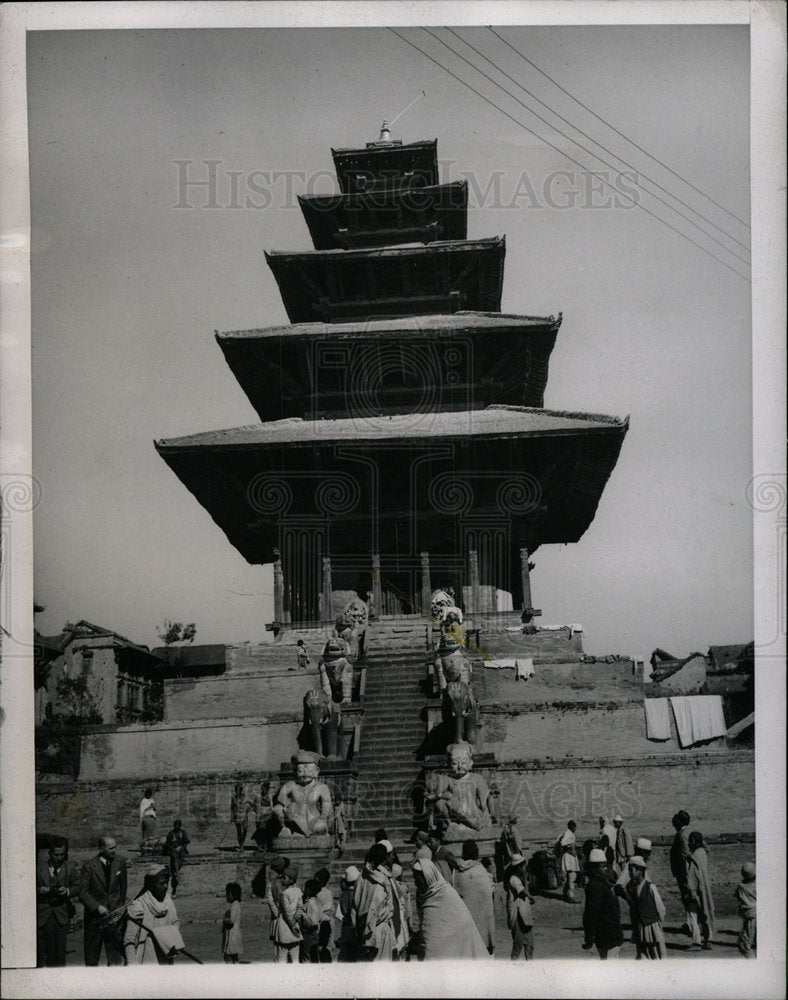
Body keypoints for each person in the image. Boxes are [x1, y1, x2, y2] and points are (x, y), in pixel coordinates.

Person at [413, 858, 489, 960]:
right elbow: (429, 931)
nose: (416, 883)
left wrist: (447, 938)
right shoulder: (426, 896)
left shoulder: (446, 892)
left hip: (457, 944)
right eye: (415, 879)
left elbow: (463, 921)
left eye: (419, 879)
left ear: (428, 876)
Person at [78, 835, 128, 966]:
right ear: (101, 849)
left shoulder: (120, 862)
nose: (114, 851)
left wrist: (119, 907)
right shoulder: (89, 867)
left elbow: (123, 887)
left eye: (115, 847)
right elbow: (82, 892)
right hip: (95, 919)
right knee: (92, 955)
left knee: (115, 955)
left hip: (114, 918)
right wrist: (97, 907)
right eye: (111, 848)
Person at [124, 864, 182, 964]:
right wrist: (132, 964)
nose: (165, 886)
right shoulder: (139, 906)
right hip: (145, 960)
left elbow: (175, 923)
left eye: (166, 883)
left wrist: (170, 939)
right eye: (161, 883)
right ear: (152, 884)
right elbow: (129, 940)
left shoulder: (168, 902)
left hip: (166, 956)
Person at [36, 835, 79, 967]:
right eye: (56, 854)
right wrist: (39, 890)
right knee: (41, 955)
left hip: (61, 915)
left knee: (59, 956)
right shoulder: (38, 868)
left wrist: (67, 891)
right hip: (42, 916)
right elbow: (25, 888)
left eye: (62, 854)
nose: (59, 858)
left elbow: (78, 887)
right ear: (50, 853)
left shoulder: (70, 868)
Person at [353, 843, 395, 961]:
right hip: (379, 929)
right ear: (384, 859)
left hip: (362, 929)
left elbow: (355, 904)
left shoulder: (361, 876)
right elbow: (387, 906)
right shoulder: (383, 880)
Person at [454, 840, 495, 955]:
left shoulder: (457, 872)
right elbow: (489, 894)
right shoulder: (481, 870)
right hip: (483, 919)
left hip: (466, 920)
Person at [582, 848, 624, 959]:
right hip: (607, 936)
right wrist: (589, 937)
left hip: (609, 935)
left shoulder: (602, 883)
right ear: (594, 868)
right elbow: (590, 914)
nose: (605, 869)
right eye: (602, 866)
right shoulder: (596, 886)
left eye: (606, 866)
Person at [625, 856, 666, 959]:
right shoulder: (633, 889)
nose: (629, 873)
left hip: (652, 926)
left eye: (631, 870)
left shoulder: (651, 887)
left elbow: (660, 908)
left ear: (639, 871)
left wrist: (658, 923)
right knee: (643, 953)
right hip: (640, 927)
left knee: (656, 953)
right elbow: (633, 909)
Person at [685, 831, 715, 951]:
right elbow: (706, 847)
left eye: (690, 841)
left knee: (692, 915)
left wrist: (690, 890)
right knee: (705, 913)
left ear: (695, 842)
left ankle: (696, 942)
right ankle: (709, 940)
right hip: (705, 887)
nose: (688, 843)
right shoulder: (703, 852)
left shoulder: (694, 856)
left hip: (696, 889)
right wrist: (700, 840)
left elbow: (691, 875)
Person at [504, 853, 536, 960]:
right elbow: (521, 890)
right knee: (517, 946)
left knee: (530, 944)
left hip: (524, 916)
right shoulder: (513, 879)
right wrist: (530, 897)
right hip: (518, 916)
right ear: (518, 867)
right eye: (523, 866)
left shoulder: (520, 878)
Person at [272, 863, 303, 963]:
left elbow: (286, 912)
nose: (281, 880)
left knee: (281, 958)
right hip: (295, 926)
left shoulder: (284, 894)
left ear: (291, 879)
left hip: (285, 928)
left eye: (284, 878)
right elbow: (300, 908)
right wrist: (295, 921)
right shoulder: (299, 891)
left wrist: (291, 925)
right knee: (295, 959)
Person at [669, 810, 692, 934]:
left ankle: (691, 923)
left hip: (684, 872)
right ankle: (691, 922)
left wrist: (684, 874)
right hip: (684, 872)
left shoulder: (682, 835)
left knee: (687, 897)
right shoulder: (686, 833)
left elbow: (684, 855)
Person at [335, 866, 360, 962]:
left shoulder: (343, 895)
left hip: (345, 926)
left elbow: (339, 913)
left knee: (346, 955)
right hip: (356, 926)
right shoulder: (357, 894)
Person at [263, 856, 289, 943]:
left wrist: (276, 913)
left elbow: (270, 900)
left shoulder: (271, 883)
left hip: (277, 916)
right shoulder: (288, 881)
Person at [734, 861, 756, 958]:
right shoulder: (757, 885)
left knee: (744, 945)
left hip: (751, 917)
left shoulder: (741, 887)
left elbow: (737, 896)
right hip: (756, 915)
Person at [163, 819, 190, 896]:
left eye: (177, 826)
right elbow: (167, 844)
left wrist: (181, 848)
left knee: (181, 856)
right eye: (175, 826)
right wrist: (173, 849)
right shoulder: (171, 833)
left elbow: (186, 842)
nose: (176, 827)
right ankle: (175, 871)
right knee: (173, 856)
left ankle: (176, 869)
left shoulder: (183, 833)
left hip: (181, 849)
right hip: (173, 849)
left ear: (180, 826)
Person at [314, 868, 335, 961]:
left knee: (323, 948)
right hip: (328, 921)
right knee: (326, 949)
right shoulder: (328, 892)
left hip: (324, 922)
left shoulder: (320, 894)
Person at [557, 820, 581, 902]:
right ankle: (570, 895)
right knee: (572, 876)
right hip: (569, 857)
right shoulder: (568, 834)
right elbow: (562, 843)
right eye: (575, 827)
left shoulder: (566, 833)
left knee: (569, 877)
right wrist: (568, 846)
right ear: (573, 827)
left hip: (569, 856)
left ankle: (566, 894)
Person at [300, 879, 322, 962]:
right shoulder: (317, 901)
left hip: (309, 933)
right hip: (316, 933)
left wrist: (302, 913)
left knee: (306, 957)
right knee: (313, 957)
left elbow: (312, 921)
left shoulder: (310, 903)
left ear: (308, 890)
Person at [222, 882, 243, 963]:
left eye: (227, 894)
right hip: (235, 934)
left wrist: (224, 920)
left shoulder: (234, 906)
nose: (226, 896)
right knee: (234, 956)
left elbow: (231, 921)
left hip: (232, 935)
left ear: (231, 894)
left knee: (228, 956)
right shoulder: (236, 905)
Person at [230, 783, 253, 852]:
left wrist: (248, 809)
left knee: (245, 830)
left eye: (240, 789)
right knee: (239, 831)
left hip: (244, 816)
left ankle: (242, 843)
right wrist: (231, 816)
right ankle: (241, 846)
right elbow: (232, 807)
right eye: (237, 789)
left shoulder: (245, 797)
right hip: (237, 816)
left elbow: (252, 803)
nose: (239, 791)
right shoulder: (233, 798)